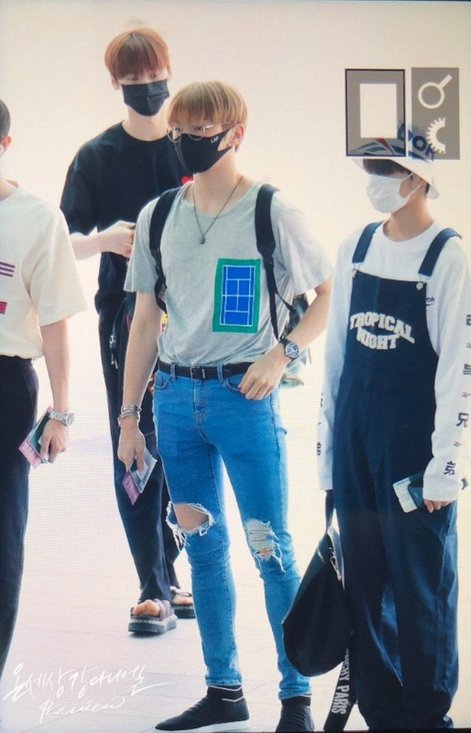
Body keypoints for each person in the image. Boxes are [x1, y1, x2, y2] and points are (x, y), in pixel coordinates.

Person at [118, 80, 332, 733]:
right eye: (181, 129)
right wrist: (129, 417)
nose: (188, 139)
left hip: (245, 399)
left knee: (271, 549)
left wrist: (282, 355)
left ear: (236, 133)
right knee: (203, 551)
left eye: (202, 129)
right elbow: (145, 320)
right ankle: (224, 689)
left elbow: (326, 295)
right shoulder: (159, 215)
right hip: (175, 400)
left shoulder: (272, 211)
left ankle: (295, 696)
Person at [317, 152, 471, 729]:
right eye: (371, 169)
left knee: (421, 584)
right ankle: (381, 713)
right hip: (356, 440)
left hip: (414, 448)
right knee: (364, 580)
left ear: (418, 178)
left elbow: (458, 370)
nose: (376, 182)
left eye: (387, 170)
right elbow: (334, 358)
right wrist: (328, 455)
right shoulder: (357, 248)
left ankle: (426, 715)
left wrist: (445, 466)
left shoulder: (447, 256)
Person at [60, 28, 194, 633]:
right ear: (115, 83)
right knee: (133, 435)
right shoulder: (97, 157)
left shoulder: (190, 150)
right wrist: (105, 241)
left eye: (154, 76)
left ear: (170, 70)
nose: (147, 87)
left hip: (194, 316)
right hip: (124, 317)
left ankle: (170, 572)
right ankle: (152, 584)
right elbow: (61, 240)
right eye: (134, 79)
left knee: (183, 441)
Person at [0, 98, 86, 681]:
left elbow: (55, 320)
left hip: (5, 384)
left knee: (1, 537)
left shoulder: (36, 219)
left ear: (4, 146)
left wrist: (62, 411)